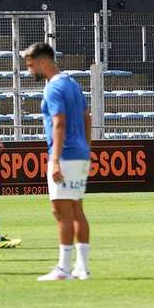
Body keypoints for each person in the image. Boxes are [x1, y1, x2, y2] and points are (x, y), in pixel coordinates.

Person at [23, 42, 92, 282]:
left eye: (31, 66)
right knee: (76, 210)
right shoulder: (72, 83)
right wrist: (87, 148)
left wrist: (54, 160)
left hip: (64, 154)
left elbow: (59, 123)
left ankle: (63, 269)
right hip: (79, 152)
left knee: (60, 211)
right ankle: (82, 267)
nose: (29, 71)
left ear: (43, 63)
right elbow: (87, 117)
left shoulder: (53, 88)